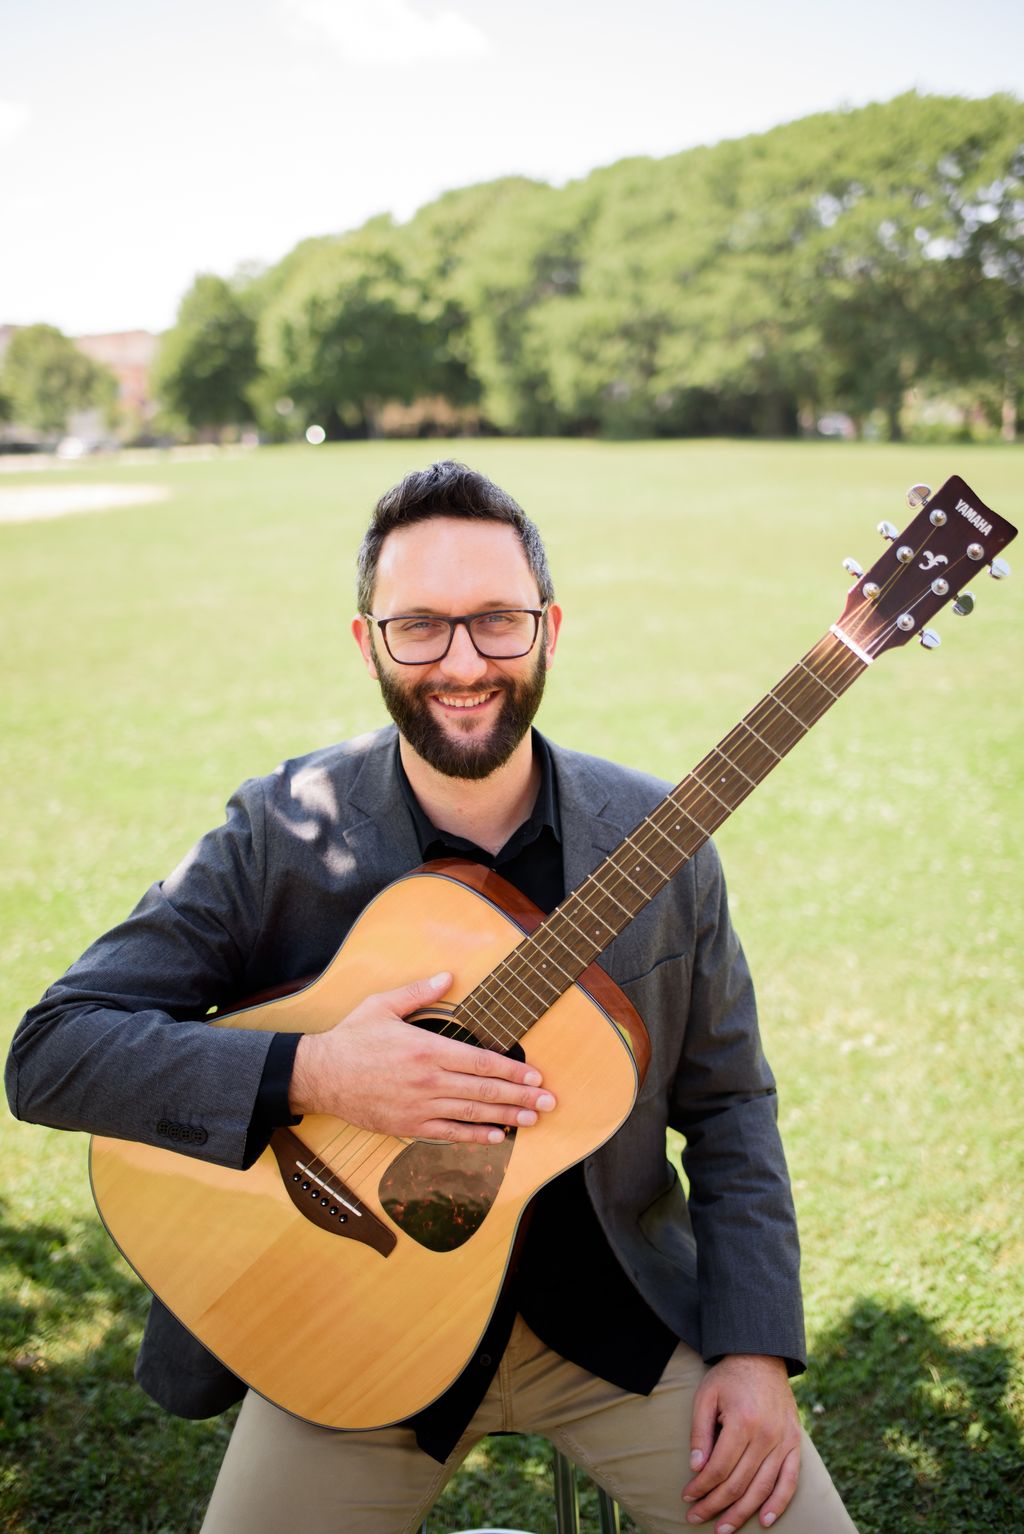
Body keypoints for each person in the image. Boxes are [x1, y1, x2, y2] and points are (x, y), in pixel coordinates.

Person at [6, 461, 857, 1534]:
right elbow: (52, 1051)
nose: (463, 663)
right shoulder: (283, 830)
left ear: (549, 628)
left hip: (618, 1330)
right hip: (343, 1324)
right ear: (368, 642)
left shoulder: (661, 842)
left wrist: (753, 1347)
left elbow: (730, 1105)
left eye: (497, 622)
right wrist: (318, 1071)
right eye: (420, 626)